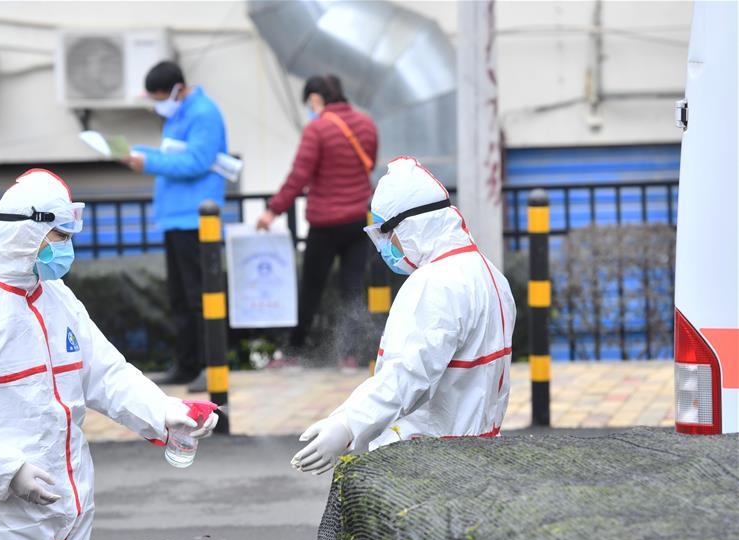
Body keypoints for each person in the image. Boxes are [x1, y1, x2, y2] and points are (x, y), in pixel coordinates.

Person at [0, 169, 218, 540]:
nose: (67, 249)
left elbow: (106, 374)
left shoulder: (60, 298)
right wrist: (6, 471)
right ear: (25, 231)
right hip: (4, 517)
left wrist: (165, 412)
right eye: (60, 236)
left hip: (75, 504)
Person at [292, 156, 516, 474]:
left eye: (385, 233)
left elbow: (407, 376)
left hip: (426, 463)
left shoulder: (435, 285)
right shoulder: (489, 274)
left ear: (411, 226)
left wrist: (347, 424)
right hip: (478, 455)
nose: (384, 246)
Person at [256, 75, 378, 368]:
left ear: (315, 98)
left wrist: (273, 210)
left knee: (311, 288)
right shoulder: (367, 125)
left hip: (325, 222)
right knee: (352, 288)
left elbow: (299, 176)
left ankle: (294, 352)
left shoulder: (317, 129)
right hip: (359, 219)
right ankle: (351, 355)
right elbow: (370, 164)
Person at [124, 60, 228, 392]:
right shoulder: (178, 114)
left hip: (196, 220)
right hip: (175, 217)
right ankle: (186, 365)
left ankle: (210, 367)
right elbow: (172, 155)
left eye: (159, 98)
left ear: (177, 90)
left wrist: (148, 161)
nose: (157, 105)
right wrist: (139, 153)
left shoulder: (204, 113)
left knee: (200, 297)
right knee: (180, 298)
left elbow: (197, 161)